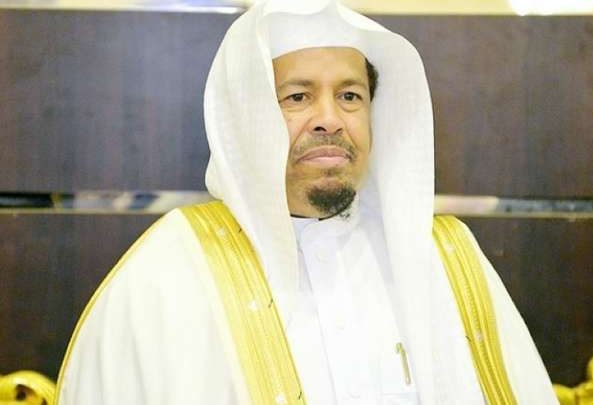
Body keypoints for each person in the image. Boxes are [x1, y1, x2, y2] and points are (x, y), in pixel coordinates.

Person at [55, 0, 557, 403]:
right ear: (247, 118)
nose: (329, 120)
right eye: (297, 97)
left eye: (350, 96)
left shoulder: (447, 260)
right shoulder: (166, 276)